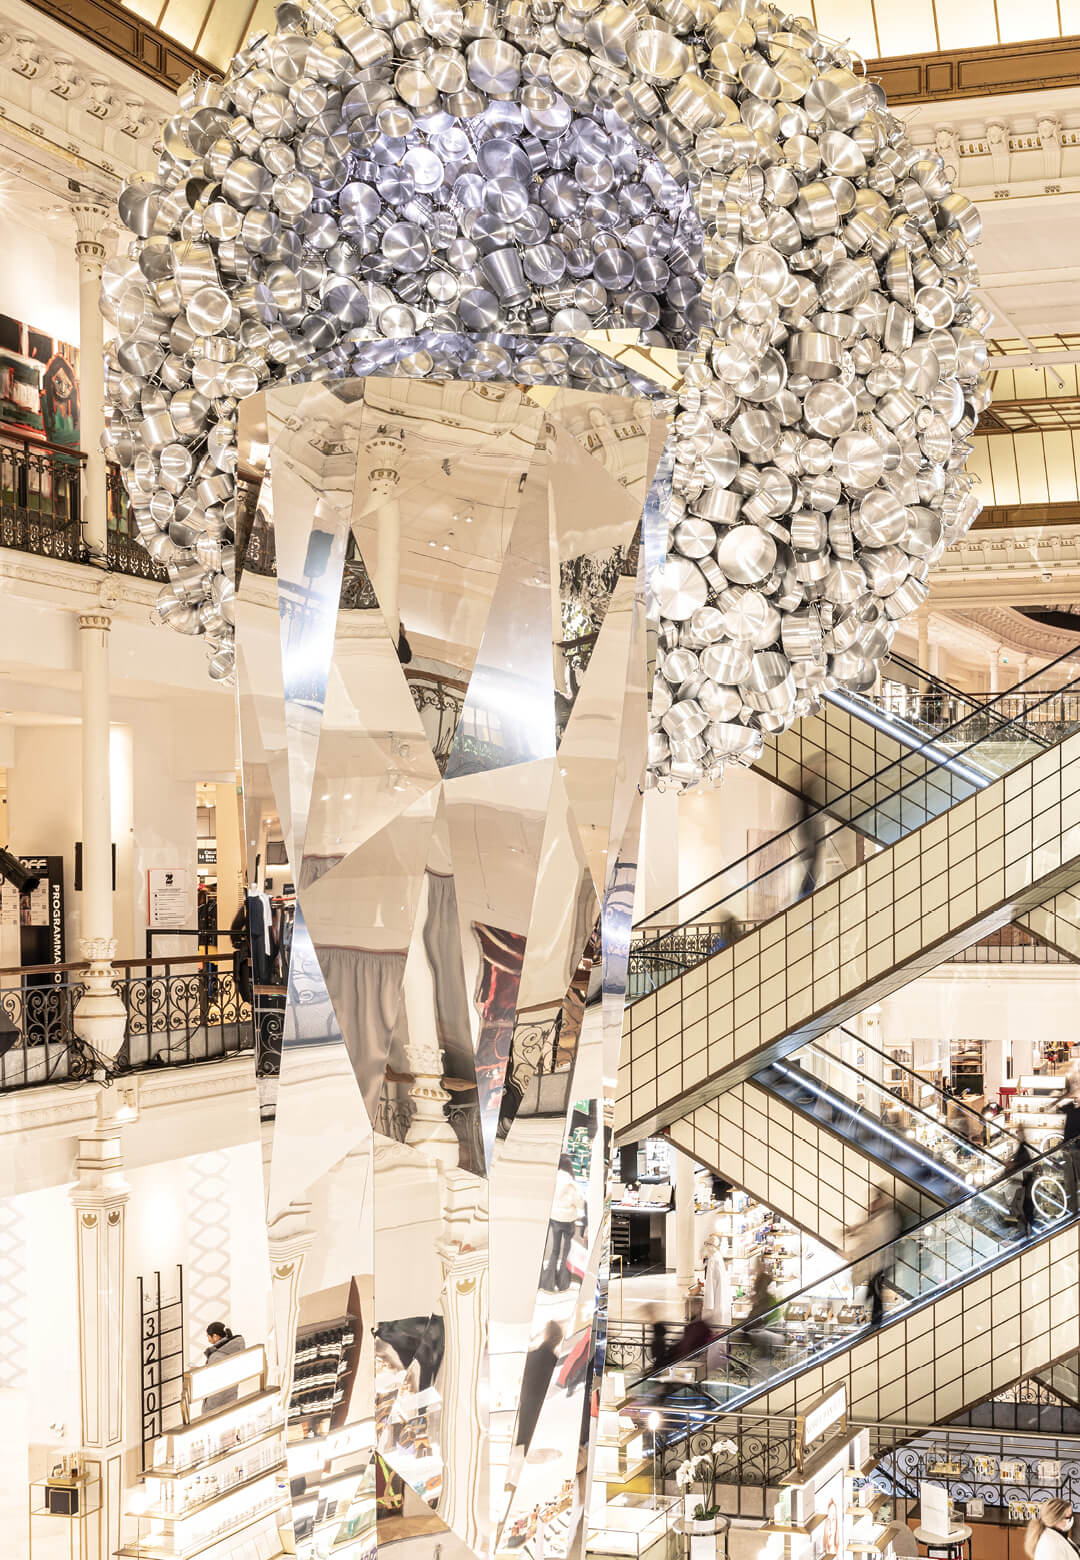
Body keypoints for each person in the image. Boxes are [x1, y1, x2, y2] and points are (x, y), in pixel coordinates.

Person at [509, 1321, 564, 1481]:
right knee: (528, 1429)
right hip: (537, 1400)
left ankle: (518, 1460)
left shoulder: (533, 1354)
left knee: (522, 1429)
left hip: (527, 1397)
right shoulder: (553, 1359)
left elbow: (523, 1375)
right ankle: (520, 1460)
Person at [846, 1193, 900, 1329]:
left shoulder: (885, 1218)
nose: (872, 1206)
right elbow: (868, 1233)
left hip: (881, 1261)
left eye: (875, 1203)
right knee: (874, 1286)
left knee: (875, 1288)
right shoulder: (878, 1218)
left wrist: (856, 1231)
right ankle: (874, 1315)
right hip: (877, 1261)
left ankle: (876, 1320)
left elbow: (876, 1237)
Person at [541, 1155, 585, 1292]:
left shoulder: (552, 1179)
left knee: (554, 1251)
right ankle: (563, 1283)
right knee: (566, 1253)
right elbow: (580, 1203)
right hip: (568, 1221)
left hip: (554, 1219)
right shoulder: (572, 1183)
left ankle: (548, 1283)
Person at [203, 1321, 246, 1411]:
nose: (208, 1340)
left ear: (215, 1336)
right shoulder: (233, 1350)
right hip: (231, 1396)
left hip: (216, 1403)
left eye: (208, 1336)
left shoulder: (216, 1356)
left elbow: (209, 1379)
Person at [1053, 1079, 1080, 1213]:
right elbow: (1054, 1106)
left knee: (1073, 1181)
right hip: (1068, 1149)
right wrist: (1064, 1095)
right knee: (1070, 1182)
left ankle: (1073, 1210)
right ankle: (1072, 1211)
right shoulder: (1069, 1106)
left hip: (1076, 1149)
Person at [1007, 1125, 1038, 1238]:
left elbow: (1022, 1162)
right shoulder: (1023, 1147)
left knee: (1026, 1210)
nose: (1018, 1136)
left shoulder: (1023, 1148)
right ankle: (1029, 1232)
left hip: (1027, 1187)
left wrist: (1012, 1165)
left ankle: (1029, 1233)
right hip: (1027, 1186)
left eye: (1019, 1133)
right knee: (1026, 1211)